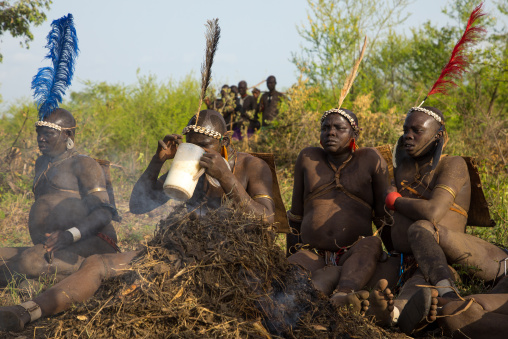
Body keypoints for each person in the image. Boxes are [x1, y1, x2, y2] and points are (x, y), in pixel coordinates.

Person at [0, 110, 275, 332]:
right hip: (179, 252)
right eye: (191, 146)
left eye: (204, 146)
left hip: (227, 260)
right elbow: (138, 206)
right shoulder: (189, 168)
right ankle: (27, 311)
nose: (197, 153)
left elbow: (266, 220)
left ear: (224, 143)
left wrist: (226, 178)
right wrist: (159, 161)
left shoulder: (251, 166)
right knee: (96, 264)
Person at [371, 106, 508, 332]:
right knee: (416, 283)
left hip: (455, 256)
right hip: (415, 262)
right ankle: (393, 314)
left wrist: (394, 200)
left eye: (417, 130)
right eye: (406, 129)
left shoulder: (453, 164)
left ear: (439, 137)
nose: (408, 135)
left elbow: (433, 212)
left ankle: (447, 292)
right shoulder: (398, 171)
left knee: (422, 228)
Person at [286, 108, 393, 312]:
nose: (331, 133)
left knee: (371, 244)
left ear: (355, 133)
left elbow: (382, 216)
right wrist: (289, 255)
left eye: (339, 128)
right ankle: (310, 304)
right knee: (288, 278)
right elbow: (296, 217)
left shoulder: (370, 159)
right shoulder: (308, 158)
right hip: (312, 253)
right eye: (325, 128)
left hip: (353, 253)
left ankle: (344, 294)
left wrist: (393, 253)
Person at [0, 108, 119, 286]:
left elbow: (104, 212)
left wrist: (69, 235)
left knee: (29, 262)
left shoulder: (84, 163)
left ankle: (98, 270)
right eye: (39, 133)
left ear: (67, 135)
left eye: (48, 133)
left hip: (90, 244)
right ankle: (34, 280)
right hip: (52, 246)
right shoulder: (41, 163)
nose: (41, 138)